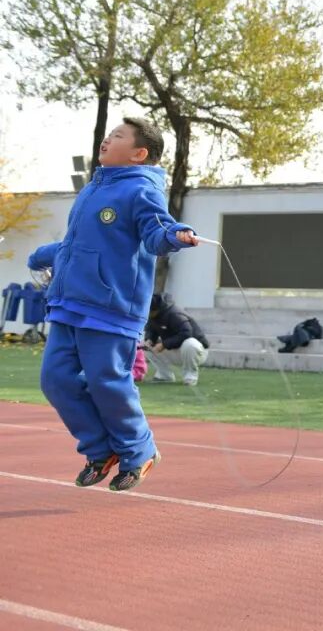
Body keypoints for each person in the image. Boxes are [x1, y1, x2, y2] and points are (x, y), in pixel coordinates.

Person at [28, 117, 200, 492]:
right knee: (55, 380)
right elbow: (79, 245)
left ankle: (139, 451)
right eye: (108, 135)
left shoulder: (142, 190)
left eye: (117, 136)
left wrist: (175, 234)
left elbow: (157, 231)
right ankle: (100, 450)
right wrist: (43, 255)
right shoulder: (93, 189)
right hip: (69, 304)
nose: (106, 140)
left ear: (139, 154)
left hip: (110, 309)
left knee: (107, 383)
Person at [143, 293, 210, 386]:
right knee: (146, 346)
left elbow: (187, 333)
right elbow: (151, 330)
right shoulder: (153, 316)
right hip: (175, 348)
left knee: (190, 343)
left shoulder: (174, 313)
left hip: (197, 351)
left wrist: (164, 345)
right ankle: (164, 375)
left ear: (155, 309)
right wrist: (149, 340)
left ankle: (190, 376)